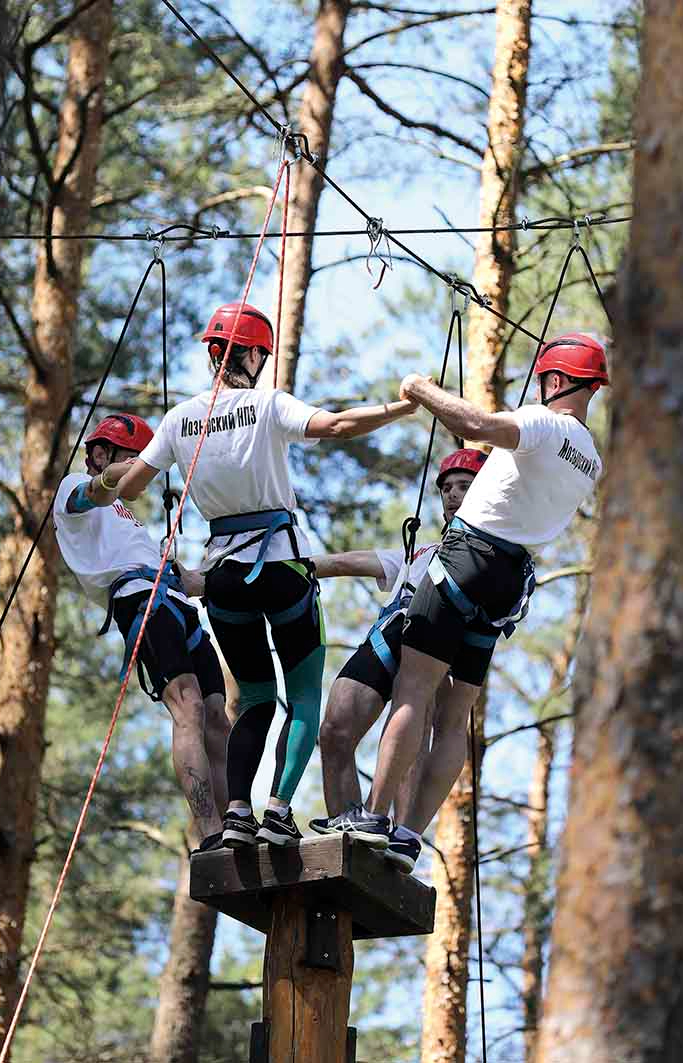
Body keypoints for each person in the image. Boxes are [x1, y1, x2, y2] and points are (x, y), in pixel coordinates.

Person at [113, 302, 418, 848]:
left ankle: (236, 814)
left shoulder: (179, 418)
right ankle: (277, 810)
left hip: (223, 576)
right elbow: (338, 425)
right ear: (252, 354)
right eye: (262, 353)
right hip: (281, 569)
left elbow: (131, 485)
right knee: (303, 697)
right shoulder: (268, 404)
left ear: (212, 353)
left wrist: (102, 480)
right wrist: (401, 409)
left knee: (253, 700)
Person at [321, 332, 609, 869]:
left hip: (467, 556)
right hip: (509, 581)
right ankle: (408, 836)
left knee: (414, 687)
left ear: (554, 379)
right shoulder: (589, 457)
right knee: (453, 718)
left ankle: (374, 817)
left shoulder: (545, 423)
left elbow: (473, 426)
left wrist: (420, 389)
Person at [54, 413, 229, 852]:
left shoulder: (125, 516)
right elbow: (93, 491)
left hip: (174, 600)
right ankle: (210, 835)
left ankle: (233, 828)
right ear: (100, 454)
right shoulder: (76, 489)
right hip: (139, 599)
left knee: (217, 719)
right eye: (134, 459)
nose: (143, 471)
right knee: (188, 706)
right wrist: (144, 463)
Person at [308, 449, 488, 871]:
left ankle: (399, 834)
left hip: (434, 648)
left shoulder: (488, 556)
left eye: (463, 487)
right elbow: (340, 562)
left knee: (417, 715)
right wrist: (280, 565)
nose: (451, 495)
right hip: (392, 630)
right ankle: (349, 830)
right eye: (446, 488)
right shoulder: (416, 552)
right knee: (333, 731)